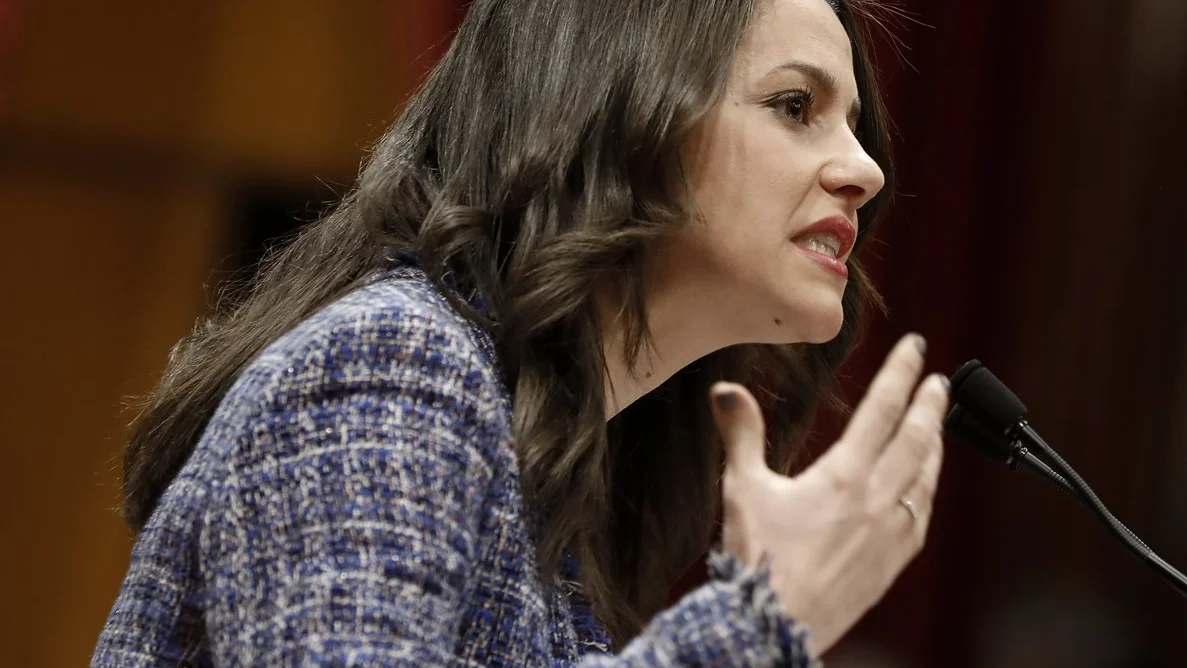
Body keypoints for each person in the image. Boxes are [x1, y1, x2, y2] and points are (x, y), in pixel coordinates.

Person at [92, 0, 949, 665]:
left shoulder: (549, 462)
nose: (865, 170)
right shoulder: (394, 363)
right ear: (610, 110)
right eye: (794, 104)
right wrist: (761, 621)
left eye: (850, 124)